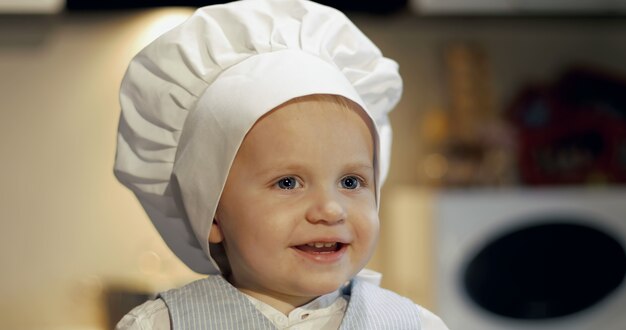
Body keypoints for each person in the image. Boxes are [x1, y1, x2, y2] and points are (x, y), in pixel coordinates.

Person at [114, 0, 450, 329]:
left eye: (350, 182)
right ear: (212, 212)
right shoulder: (162, 325)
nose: (331, 210)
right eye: (288, 182)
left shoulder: (413, 324)